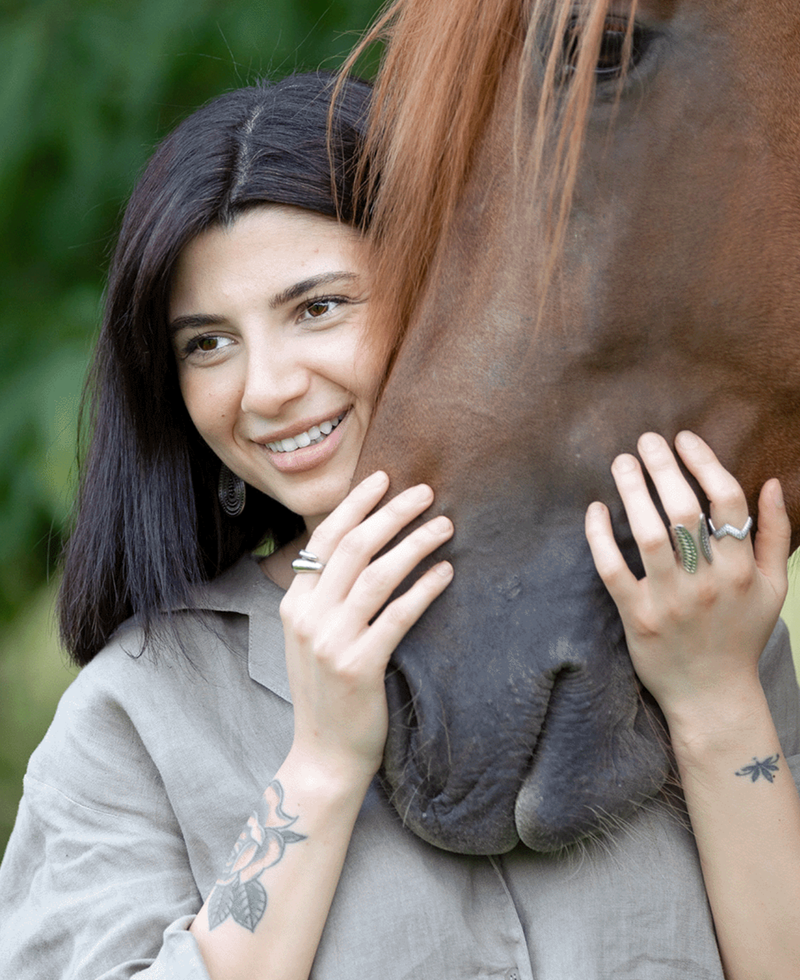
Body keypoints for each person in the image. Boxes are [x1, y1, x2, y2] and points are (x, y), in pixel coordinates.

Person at [0, 70, 799, 980]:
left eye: (318, 307)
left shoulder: (671, 611)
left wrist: (716, 697)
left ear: (451, 294)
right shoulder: (139, 715)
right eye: (208, 343)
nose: (266, 388)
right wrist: (320, 767)